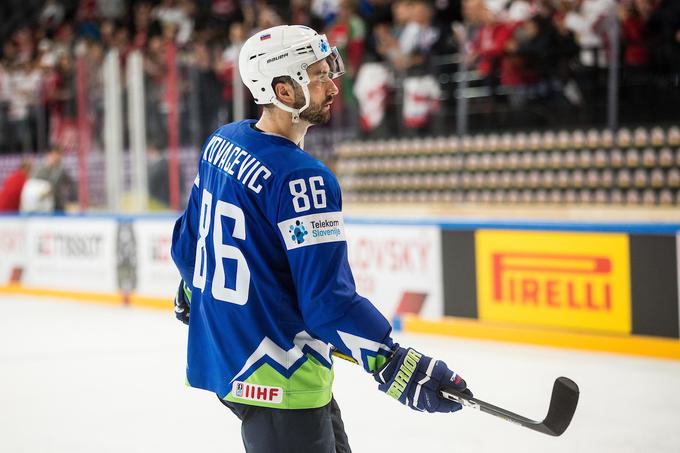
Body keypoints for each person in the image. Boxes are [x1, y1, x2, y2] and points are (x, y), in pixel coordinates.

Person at [170, 25, 472, 453]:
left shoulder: (221, 143)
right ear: (285, 91)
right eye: (317, 75)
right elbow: (326, 302)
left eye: (330, 69)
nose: (333, 85)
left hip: (229, 363)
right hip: (281, 376)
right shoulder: (303, 180)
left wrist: (189, 292)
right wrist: (392, 360)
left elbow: (187, 246)